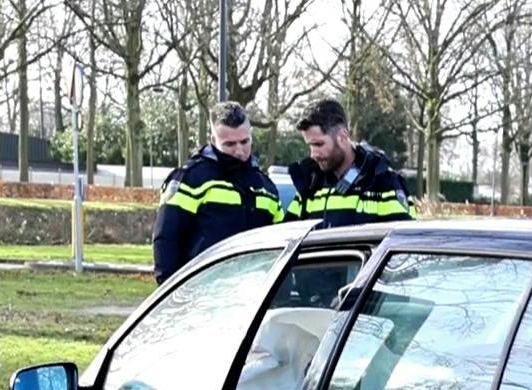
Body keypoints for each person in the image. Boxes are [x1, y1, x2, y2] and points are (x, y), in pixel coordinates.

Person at [151, 101, 283, 283]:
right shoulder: (191, 180)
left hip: (255, 296)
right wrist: (171, 296)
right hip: (202, 294)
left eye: (244, 141)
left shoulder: (266, 187)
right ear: (213, 141)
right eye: (229, 144)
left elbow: (280, 243)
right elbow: (166, 240)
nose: (239, 151)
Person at [284, 99, 417, 227]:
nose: (313, 154)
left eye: (319, 144)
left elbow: (402, 242)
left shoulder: (383, 184)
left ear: (343, 137)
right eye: (310, 146)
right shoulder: (310, 185)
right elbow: (285, 237)